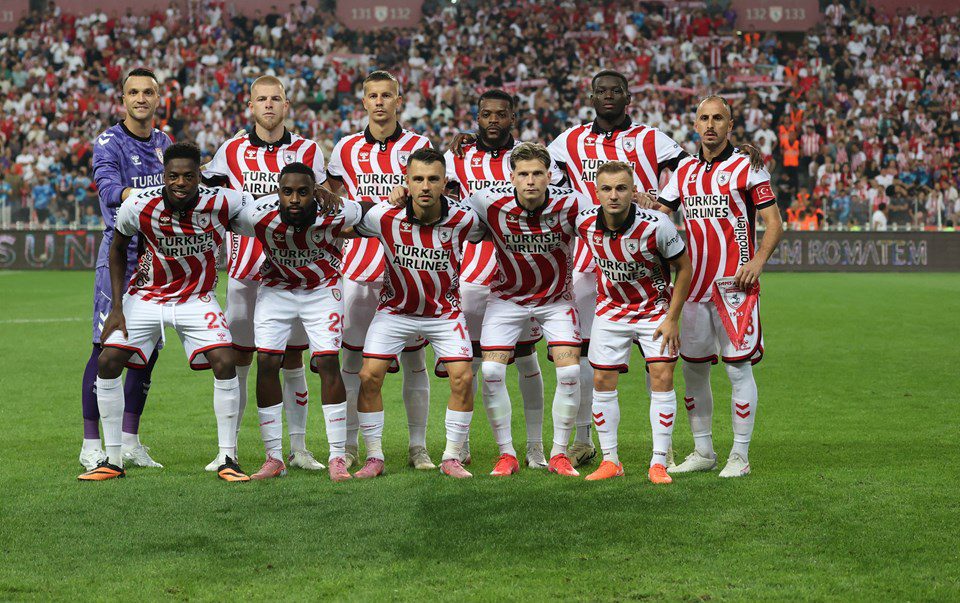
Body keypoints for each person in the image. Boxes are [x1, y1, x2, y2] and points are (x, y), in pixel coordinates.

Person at [78, 142, 250, 482]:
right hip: (147, 296)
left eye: (188, 176)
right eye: (173, 176)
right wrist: (117, 307)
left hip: (196, 298)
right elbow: (117, 248)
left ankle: (228, 457)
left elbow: (267, 211)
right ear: (164, 176)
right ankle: (113, 459)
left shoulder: (224, 201)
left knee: (225, 361)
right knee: (108, 360)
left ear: (199, 176)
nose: (180, 183)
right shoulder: (139, 204)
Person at [546, 70, 688, 468]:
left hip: (644, 256)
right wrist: (471, 145)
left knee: (655, 356)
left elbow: (689, 167)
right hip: (589, 258)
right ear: (591, 97)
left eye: (616, 91)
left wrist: (663, 201)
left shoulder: (650, 137)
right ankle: (584, 440)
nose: (608, 96)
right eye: (601, 91)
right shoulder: (569, 140)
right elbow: (535, 166)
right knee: (587, 355)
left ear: (628, 97)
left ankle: (664, 447)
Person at [201, 75, 328, 472]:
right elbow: (204, 189)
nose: (269, 105)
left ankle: (299, 449)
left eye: (276, 99)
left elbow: (324, 201)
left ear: (286, 105)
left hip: (292, 274)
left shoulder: (308, 150)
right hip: (245, 273)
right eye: (262, 99)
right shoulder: (231, 149)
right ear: (251, 106)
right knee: (240, 358)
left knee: (292, 359)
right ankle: (229, 450)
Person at [654, 95, 783, 478]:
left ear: (730, 125)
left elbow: (774, 223)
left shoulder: (748, 167)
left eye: (718, 118)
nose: (710, 125)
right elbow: (659, 217)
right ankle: (704, 451)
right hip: (692, 290)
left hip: (734, 289)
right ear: (695, 125)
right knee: (694, 371)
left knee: (738, 370)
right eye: (704, 118)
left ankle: (740, 456)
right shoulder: (684, 171)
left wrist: (757, 262)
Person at [441, 88, 563, 468]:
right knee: (470, 363)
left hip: (519, 275)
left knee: (526, 359)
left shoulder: (529, 158)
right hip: (469, 276)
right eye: (486, 114)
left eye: (501, 114)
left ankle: (535, 447)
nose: (493, 120)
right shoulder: (458, 155)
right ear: (477, 117)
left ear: (513, 117)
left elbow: (556, 201)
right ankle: (461, 444)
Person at [351, 148, 484, 479]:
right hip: (395, 311)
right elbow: (345, 220)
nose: (425, 186)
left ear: (445, 182)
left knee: (464, 377)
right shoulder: (384, 215)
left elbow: (494, 228)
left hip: (444, 313)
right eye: (418, 179)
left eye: (433, 179)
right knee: (368, 376)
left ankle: (452, 457)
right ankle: (374, 456)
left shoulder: (464, 219)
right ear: (406, 182)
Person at [326, 71, 435, 470]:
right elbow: (331, 199)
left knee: (414, 360)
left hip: (407, 268)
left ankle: (418, 446)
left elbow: (436, 195)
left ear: (398, 100)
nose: (379, 102)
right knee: (352, 360)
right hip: (358, 267)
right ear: (364, 102)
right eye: (372, 96)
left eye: (386, 95)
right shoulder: (346, 148)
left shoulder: (419, 146)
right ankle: (350, 444)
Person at [229, 163, 361, 482]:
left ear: (315, 192)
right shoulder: (257, 214)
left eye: (303, 192)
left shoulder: (338, 210)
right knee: (267, 361)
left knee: (327, 362)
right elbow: (224, 215)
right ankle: (274, 457)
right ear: (278, 192)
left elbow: (371, 214)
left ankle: (337, 457)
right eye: (287, 192)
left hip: (322, 290)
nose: (295, 199)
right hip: (276, 290)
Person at [466, 142, 590, 477]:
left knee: (569, 373)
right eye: (523, 174)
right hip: (506, 299)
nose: (530, 180)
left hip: (556, 301)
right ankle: (506, 454)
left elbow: (607, 223)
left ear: (550, 175)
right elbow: (447, 212)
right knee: (491, 372)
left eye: (537, 173)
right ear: (512, 177)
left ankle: (559, 454)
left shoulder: (574, 202)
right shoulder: (487, 200)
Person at [577, 161, 693, 483]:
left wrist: (673, 318)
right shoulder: (584, 222)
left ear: (633, 191)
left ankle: (659, 462)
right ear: (597, 192)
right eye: (607, 189)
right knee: (602, 380)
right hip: (611, 309)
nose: (613, 195)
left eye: (621, 188)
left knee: (662, 376)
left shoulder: (657, 225)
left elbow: (684, 268)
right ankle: (610, 461)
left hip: (655, 310)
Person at [82, 67, 172, 471]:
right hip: (120, 256)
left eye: (148, 92)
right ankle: (90, 444)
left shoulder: (164, 143)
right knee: (105, 349)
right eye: (133, 92)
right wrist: (159, 193)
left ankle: (131, 441)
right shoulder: (108, 142)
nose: (141, 98)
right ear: (123, 99)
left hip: (157, 260)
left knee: (147, 352)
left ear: (158, 98)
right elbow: (108, 190)